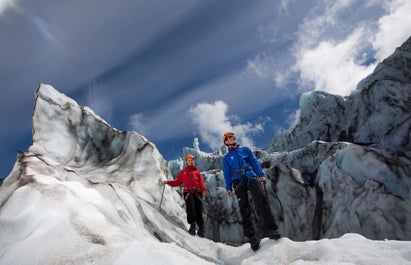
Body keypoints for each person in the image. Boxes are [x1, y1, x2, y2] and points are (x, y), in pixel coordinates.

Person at [222, 132, 280, 251]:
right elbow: (227, 174)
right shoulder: (227, 158)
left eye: (233, 136)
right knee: (244, 208)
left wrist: (261, 175)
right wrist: (228, 188)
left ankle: (272, 229)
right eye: (229, 137)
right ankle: (252, 237)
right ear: (226, 142)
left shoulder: (245, 150)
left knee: (262, 200)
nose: (232, 138)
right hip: (237, 180)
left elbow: (254, 162)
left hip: (250, 176)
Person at [163, 154, 206, 237]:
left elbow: (201, 182)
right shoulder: (183, 173)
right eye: (188, 160)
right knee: (191, 209)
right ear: (186, 162)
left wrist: (203, 190)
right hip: (188, 192)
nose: (190, 161)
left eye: (192, 160)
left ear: (193, 161)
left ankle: (201, 228)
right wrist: (168, 182)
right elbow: (177, 182)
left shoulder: (197, 172)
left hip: (197, 192)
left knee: (199, 210)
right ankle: (192, 226)